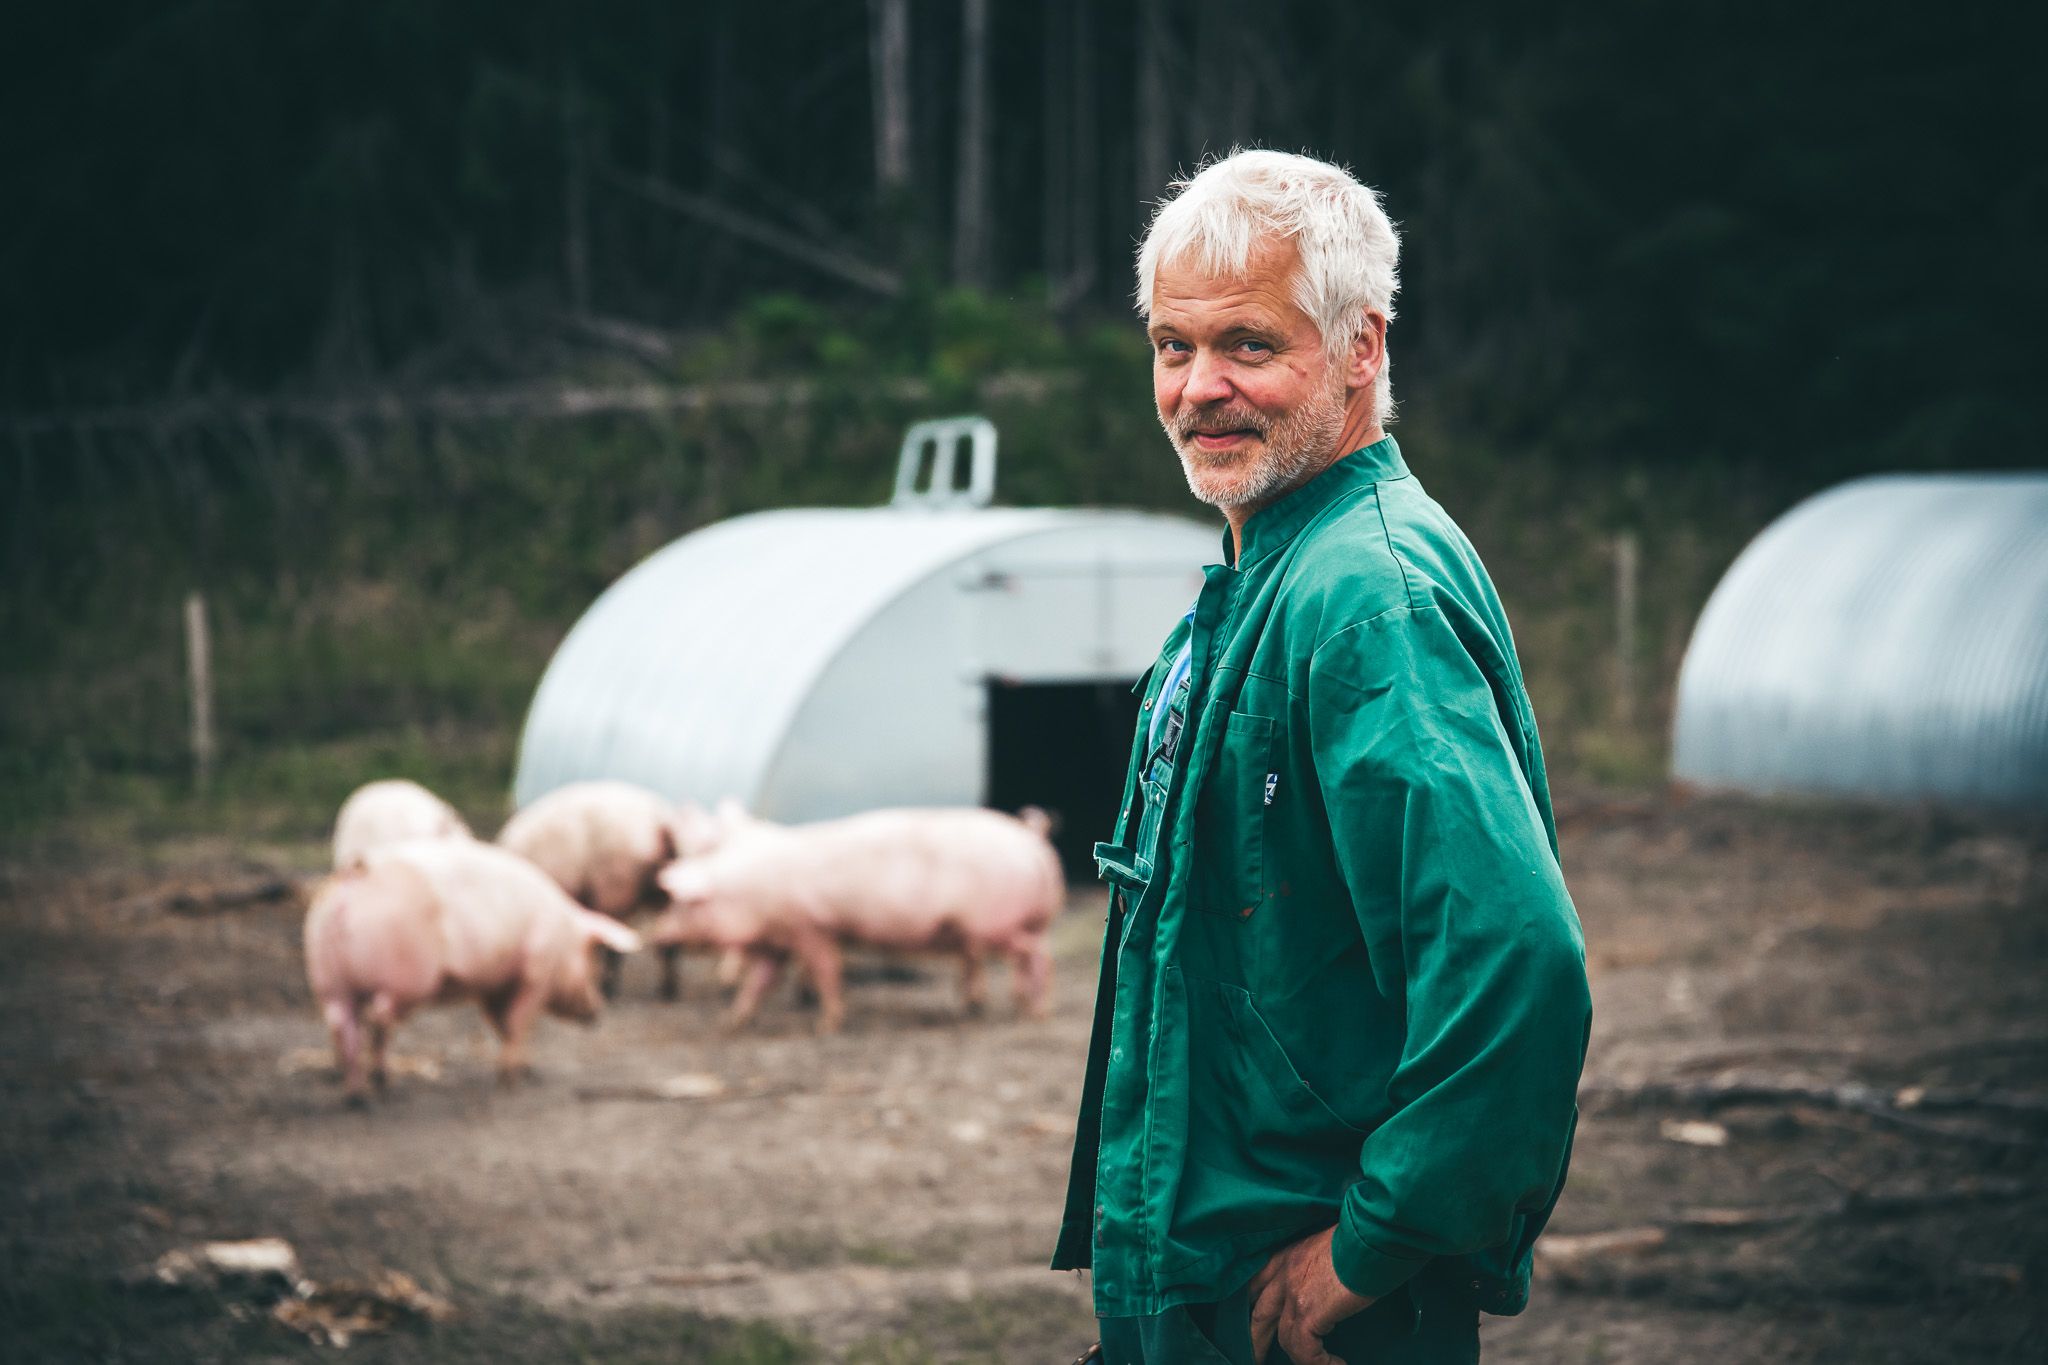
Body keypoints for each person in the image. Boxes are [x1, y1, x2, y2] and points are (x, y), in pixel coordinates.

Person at [1052, 149, 1593, 1365]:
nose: (1199, 389)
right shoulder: (1272, 576)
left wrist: (1370, 1249)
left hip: (1305, 1312)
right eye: (1173, 345)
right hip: (1209, 1287)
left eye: (1248, 344)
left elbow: (1517, 961)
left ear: (1360, 348)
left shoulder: (1362, 599)